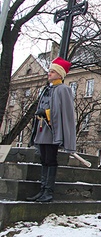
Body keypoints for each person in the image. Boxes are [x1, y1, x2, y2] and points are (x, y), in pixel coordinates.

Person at [27, 57, 76, 202]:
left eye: (53, 72)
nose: (49, 74)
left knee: (50, 159)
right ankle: (42, 190)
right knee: (43, 160)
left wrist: (46, 113)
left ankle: (48, 191)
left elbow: (64, 112)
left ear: (60, 74)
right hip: (42, 130)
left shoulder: (64, 89)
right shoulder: (46, 89)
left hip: (53, 131)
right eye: (49, 71)